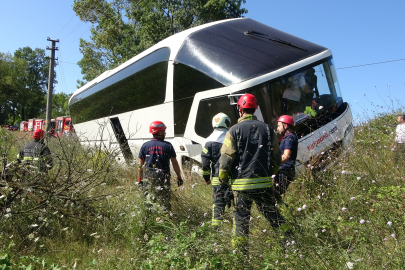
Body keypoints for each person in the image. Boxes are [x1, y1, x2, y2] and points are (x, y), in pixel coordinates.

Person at [218, 93, 293, 253]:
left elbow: (225, 160)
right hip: (264, 185)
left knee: (241, 222)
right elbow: (276, 159)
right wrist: (270, 174)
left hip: (242, 186)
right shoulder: (268, 129)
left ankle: (240, 255)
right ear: (255, 108)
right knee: (275, 217)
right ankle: (290, 243)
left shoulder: (233, 131)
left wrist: (223, 179)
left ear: (239, 109)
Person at [138, 121, 183, 213]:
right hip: (163, 177)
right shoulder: (168, 146)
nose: (165, 133)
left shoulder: (145, 146)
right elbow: (175, 164)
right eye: (163, 131)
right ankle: (166, 220)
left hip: (148, 178)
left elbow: (140, 166)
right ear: (159, 132)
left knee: (149, 201)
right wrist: (179, 177)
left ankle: (149, 220)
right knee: (165, 202)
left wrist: (140, 180)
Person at [201, 113, 231, 230]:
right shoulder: (231, 138)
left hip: (217, 179)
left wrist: (206, 178)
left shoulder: (208, 141)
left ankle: (216, 230)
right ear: (227, 122)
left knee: (218, 204)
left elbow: (205, 163)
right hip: (233, 178)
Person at [274, 115, 299, 199]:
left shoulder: (290, 138)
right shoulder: (287, 138)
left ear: (285, 126)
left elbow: (285, 157)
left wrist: (272, 162)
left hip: (284, 173)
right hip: (282, 172)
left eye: (278, 126)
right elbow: (281, 139)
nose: (277, 128)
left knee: (277, 198)